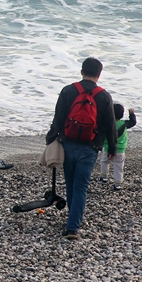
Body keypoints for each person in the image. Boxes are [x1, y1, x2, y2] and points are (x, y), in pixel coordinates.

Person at [45, 57, 117, 240]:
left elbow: (58, 117)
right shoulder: (104, 96)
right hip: (90, 147)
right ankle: (73, 227)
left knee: (70, 183)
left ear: (81, 71)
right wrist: (112, 148)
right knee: (81, 187)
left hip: (67, 144)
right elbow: (110, 125)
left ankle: (72, 219)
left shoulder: (68, 91)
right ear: (99, 75)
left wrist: (51, 138)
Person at [97, 103, 137, 190]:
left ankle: (104, 177)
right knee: (118, 166)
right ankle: (118, 183)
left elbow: (102, 135)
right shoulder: (124, 124)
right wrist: (131, 114)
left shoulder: (106, 124)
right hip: (120, 150)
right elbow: (133, 122)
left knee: (104, 162)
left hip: (108, 148)